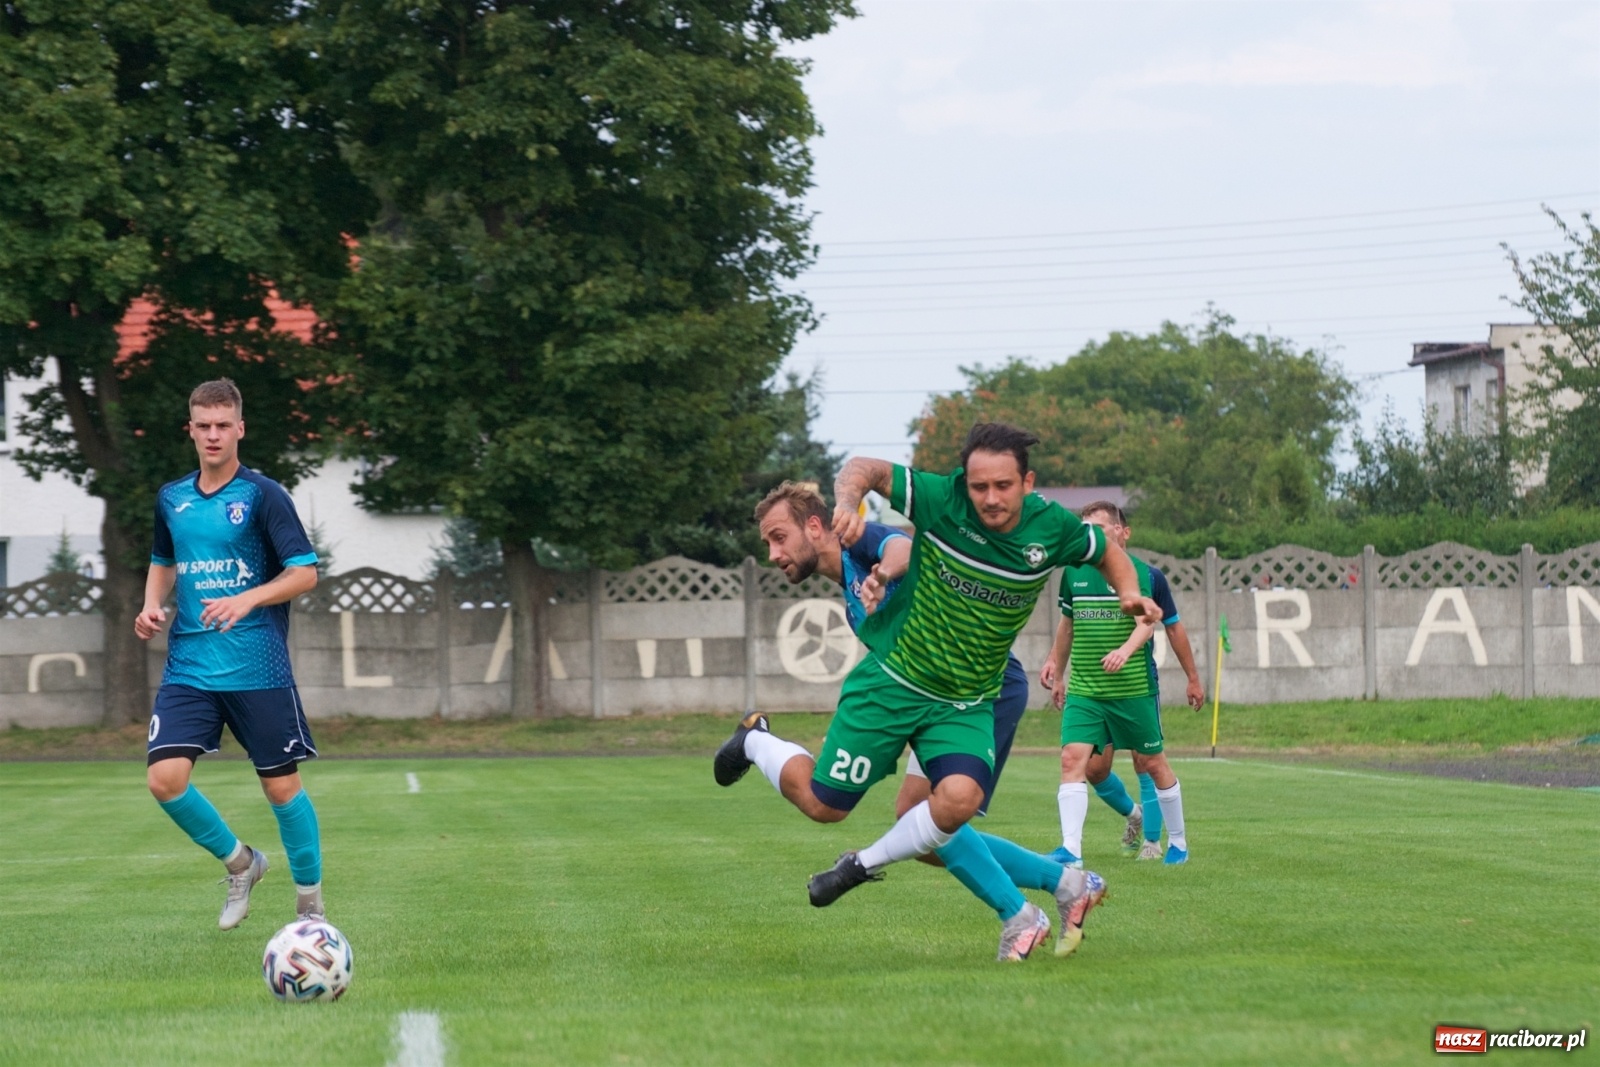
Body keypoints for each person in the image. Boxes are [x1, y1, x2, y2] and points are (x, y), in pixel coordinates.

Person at [716, 423, 1161, 961]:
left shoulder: (871, 536)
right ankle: (1065, 887)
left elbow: (899, 541)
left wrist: (870, 541)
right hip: (908, 686)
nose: (772, 553)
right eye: (979, 487)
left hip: (977, 691)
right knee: (901, 821)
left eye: (778, 538)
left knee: (940, 814)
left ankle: (1019, 913)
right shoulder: (855, 585)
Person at [134, 379, 326, 930]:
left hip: (256, 665)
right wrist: (151, 604)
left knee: (281, 787)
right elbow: (163, 559)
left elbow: (305, 573)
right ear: (190, 430)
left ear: (240, 428)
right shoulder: (172, 498)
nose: (213, 435)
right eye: (204, 425)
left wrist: (249, 598)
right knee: (164, 779)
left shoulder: (263, 495)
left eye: (223, 425)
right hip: (190, 665)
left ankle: (310, 904)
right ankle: (241, 863)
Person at [751, 481, 1031, 822]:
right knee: (919, 823)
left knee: (939, 826)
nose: (773, 555)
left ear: (813, 526)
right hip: (937, 693)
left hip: (992, 686)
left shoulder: (860, 542)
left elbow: (904, 549)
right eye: (768, 544)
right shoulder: (854, 614)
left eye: (779, 538)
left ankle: (1063, 875)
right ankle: (1061, 875)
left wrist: (881, 576)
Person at [1043, 501, 1202, 866]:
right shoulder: (1073, 574)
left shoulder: (1147, 577)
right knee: (1074, 761)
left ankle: (1176, 842)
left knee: (1152, 762)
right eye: (1085, 529)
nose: (1090, 536)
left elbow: (1151, 625)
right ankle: (1071, 851)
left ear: (1122, 532)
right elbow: (1068, 624)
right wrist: (1057, 666)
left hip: (1133, 689)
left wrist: (1190, 677)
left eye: (1098, 528)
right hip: (1086, 689)